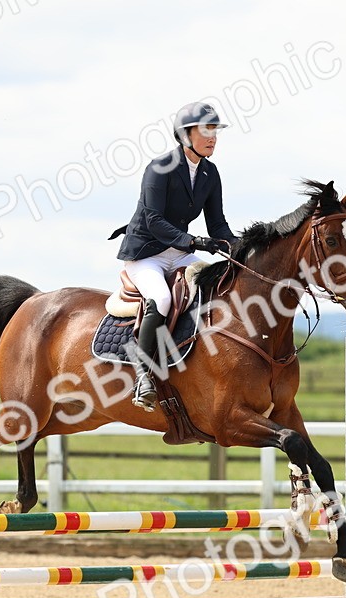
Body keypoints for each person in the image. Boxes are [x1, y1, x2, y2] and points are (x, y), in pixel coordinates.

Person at [109, 101, 239, 411]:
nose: (213, 138)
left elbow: (217, 222)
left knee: (216, 286)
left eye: (215, 132)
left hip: (179, 253)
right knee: (163, 300)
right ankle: (142, 377)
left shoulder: (210, 172)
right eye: (206, 131)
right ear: (185, 134)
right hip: (146, 254)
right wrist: (194, 241)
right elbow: (154, 220)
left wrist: (237, 246)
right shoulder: (160, 168)